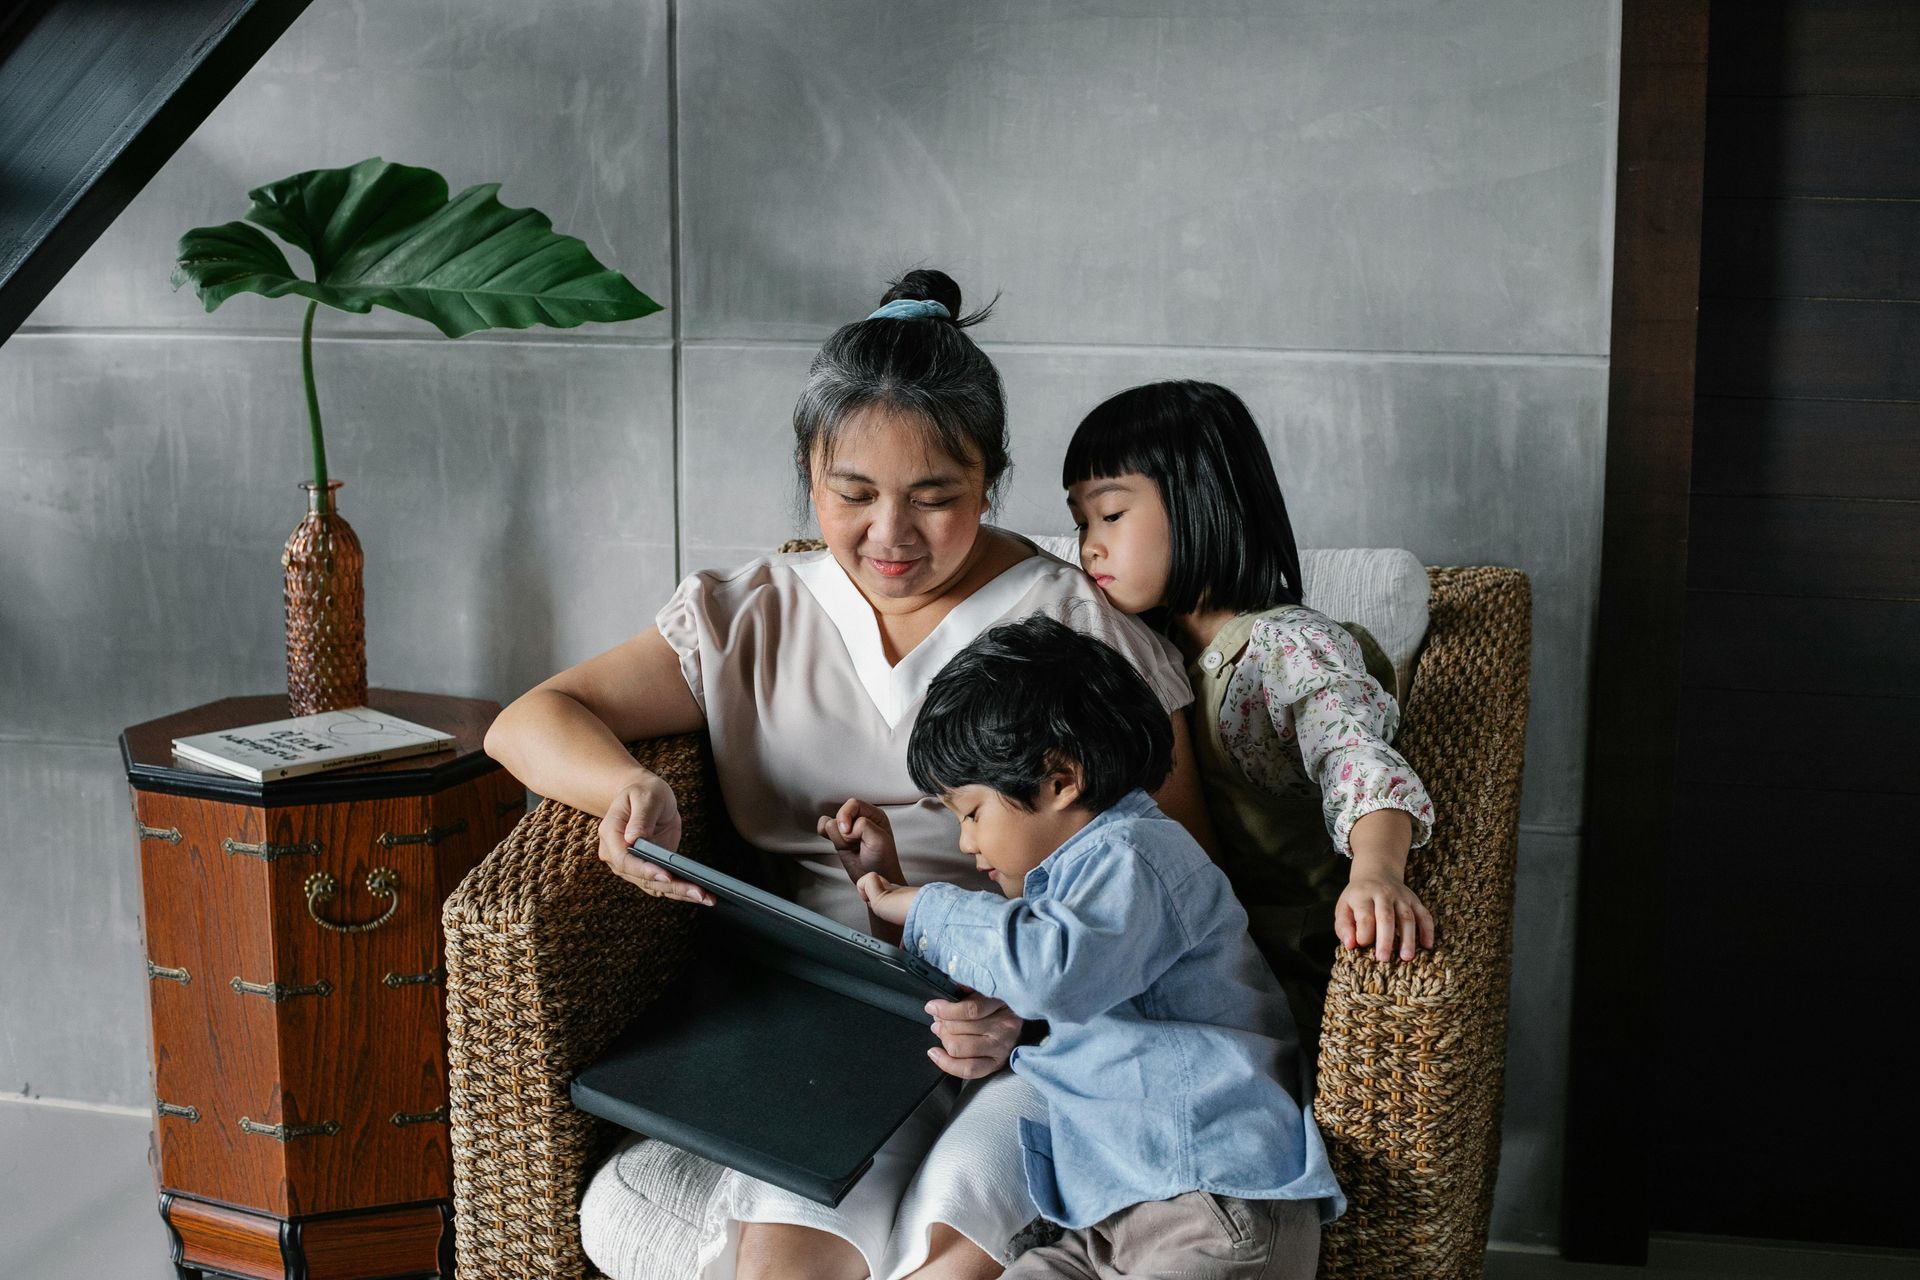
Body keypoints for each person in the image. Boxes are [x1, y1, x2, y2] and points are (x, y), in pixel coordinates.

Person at [483, 271, 1212, 1280]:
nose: (892, 538)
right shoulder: (751, 612)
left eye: (936, 498)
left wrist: (1030, 1007)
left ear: (990, 479)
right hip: (822, 1027)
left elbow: (1180, 877)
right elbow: (530, 720)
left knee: (953, 1247)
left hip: (1035, 1028)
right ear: (807, 473)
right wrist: (623, 789)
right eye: (853, 495)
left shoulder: (1073, 625)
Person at [845, 616, 1342, 1280]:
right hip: (1110, 1220)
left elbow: (1049, 972)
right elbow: (1018, 977)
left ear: (1059, 781)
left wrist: (921, 904)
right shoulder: (1067, 897)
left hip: (1211, 1200)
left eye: (970, 813)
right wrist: (886, 887)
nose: (967, 843)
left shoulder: (1135, 854)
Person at [1058, 380, 1437, 1052]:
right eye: (1080, 521)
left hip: (1280, 967)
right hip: (1184, 947)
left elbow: (1357, 760)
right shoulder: (1152, 652)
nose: (1089, 545)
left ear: (1200, 502)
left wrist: (1376, 871)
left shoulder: (1287, 646)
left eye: (1110, 515)